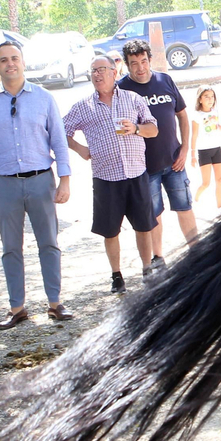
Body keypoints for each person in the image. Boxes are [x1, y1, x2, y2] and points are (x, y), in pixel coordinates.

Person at [0, 40, 74, 328]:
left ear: (23, 61)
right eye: (3, 60)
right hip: (4, 185)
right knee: (10, 248)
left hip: (42, 181)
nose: (10, 64)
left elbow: (58, 141)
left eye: (14, 58)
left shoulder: (43, 98)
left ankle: (55, 303)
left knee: (49, 243)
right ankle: (17, 307)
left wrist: (64, 180)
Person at [63, 54, 158, 294]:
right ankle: (116, 275)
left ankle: (147, 269)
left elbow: (153, 129)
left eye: (101, 69)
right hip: (106, 178)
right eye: (93, 70)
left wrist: (135, 128)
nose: (97, 74)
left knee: (144, 226)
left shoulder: (132, 98)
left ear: (113, 73)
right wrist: (80, 149)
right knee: (110, 230)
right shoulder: (83, 106)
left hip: (136, 173)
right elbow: (60, 130)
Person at [118, 40, 197, 272]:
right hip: (144, 166)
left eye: (144, 61)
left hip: (175, 160)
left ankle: (197, 251)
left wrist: (184, 149)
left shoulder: (165, 80)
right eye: (134, 64)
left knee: (185, 206)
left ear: (150, 60)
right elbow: (120, 128)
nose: (140, 68)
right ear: (127, 66)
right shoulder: (122, 88)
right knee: (154, 214)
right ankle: (158, 258)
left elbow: (182, 116)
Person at [190, 87, 221, 211]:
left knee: (220, 180)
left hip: (217, 148)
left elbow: (217, 126)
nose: (210, 99)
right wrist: (192, 155)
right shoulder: (197, 115)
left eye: (212, 96)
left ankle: (220, 207)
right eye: (206, 96)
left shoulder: (215, 111)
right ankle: (194, 199)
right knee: (206, 183)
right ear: (200, 99)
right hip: (204, 151)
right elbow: (194, 135)